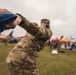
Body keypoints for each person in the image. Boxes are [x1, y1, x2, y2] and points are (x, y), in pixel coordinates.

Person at [0, 9, 53, 75]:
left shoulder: (31, 33)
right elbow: (37, 30)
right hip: (24, 60)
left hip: (14, 56)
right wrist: (22, 20)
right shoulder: (46, 31)